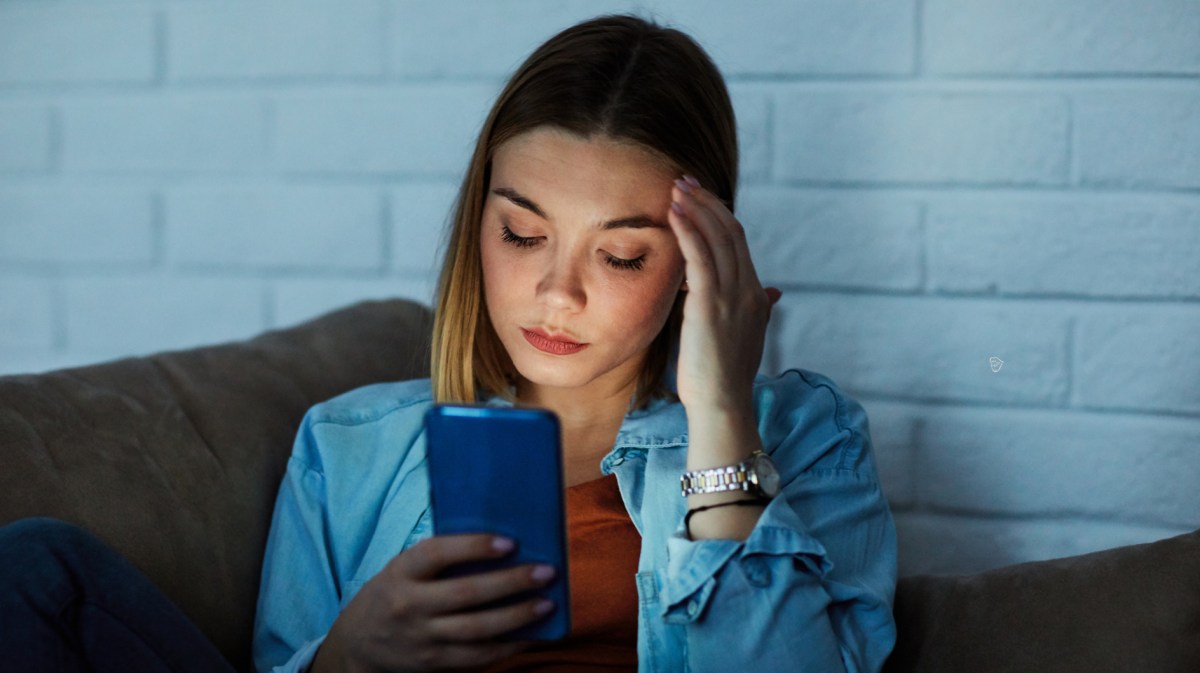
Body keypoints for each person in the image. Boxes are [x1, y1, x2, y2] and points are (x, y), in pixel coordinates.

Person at [253, 13, 897, 673]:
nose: (558, 294)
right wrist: (344, 659)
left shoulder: (809, 437)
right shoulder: (343, 449)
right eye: (522, 233)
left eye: (619, 255)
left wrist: (721, 414)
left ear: (696, 260)